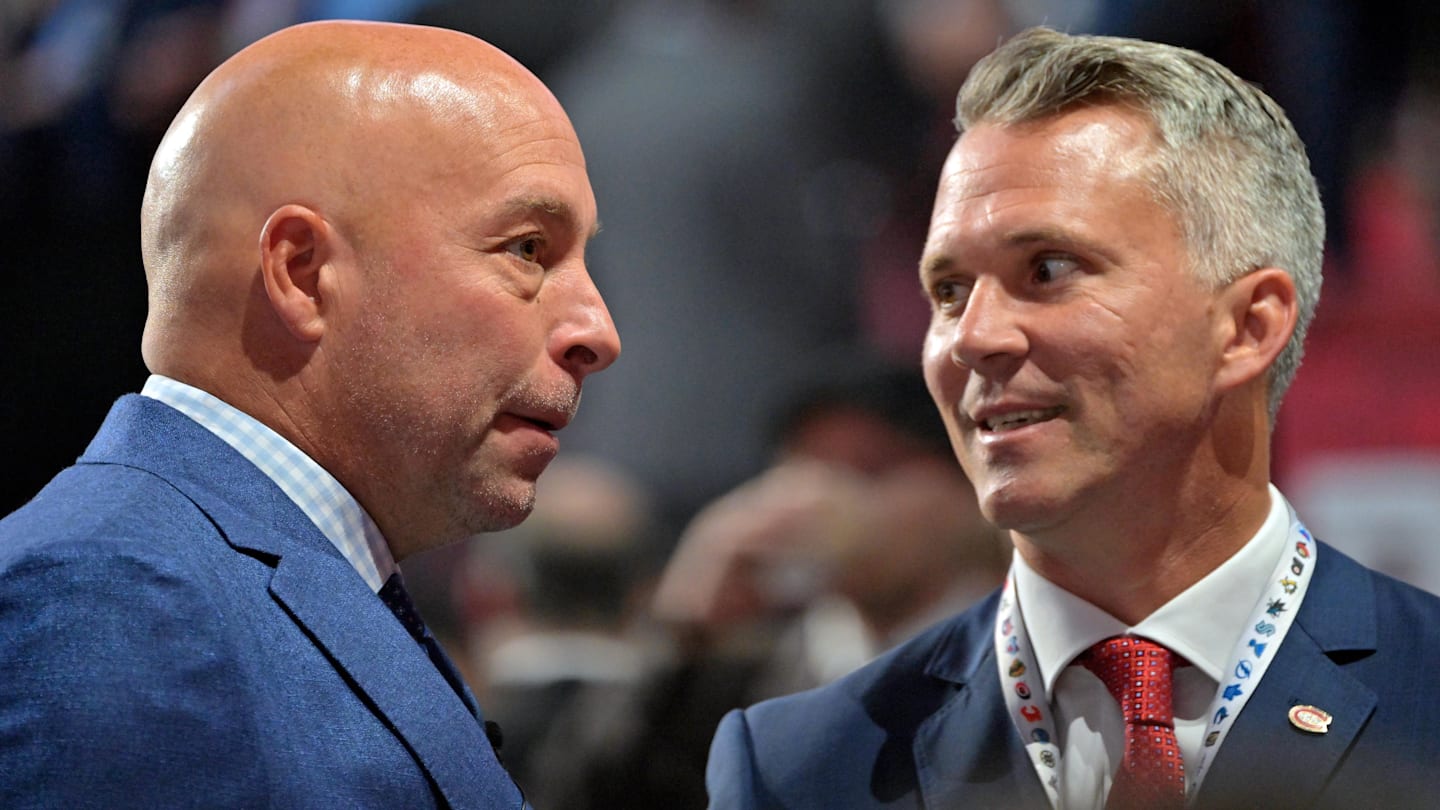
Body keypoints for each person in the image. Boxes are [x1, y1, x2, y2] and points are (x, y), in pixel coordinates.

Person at [706, 26, 1440, 810]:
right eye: (948, 290)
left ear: (1249, 326)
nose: (973, 339)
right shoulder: (797, 768)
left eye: (1048, 270)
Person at [0, 19, 618, 808]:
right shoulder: (107, 600)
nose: (598, 331)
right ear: (302, 273)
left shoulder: (201, 584)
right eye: (529, 249)